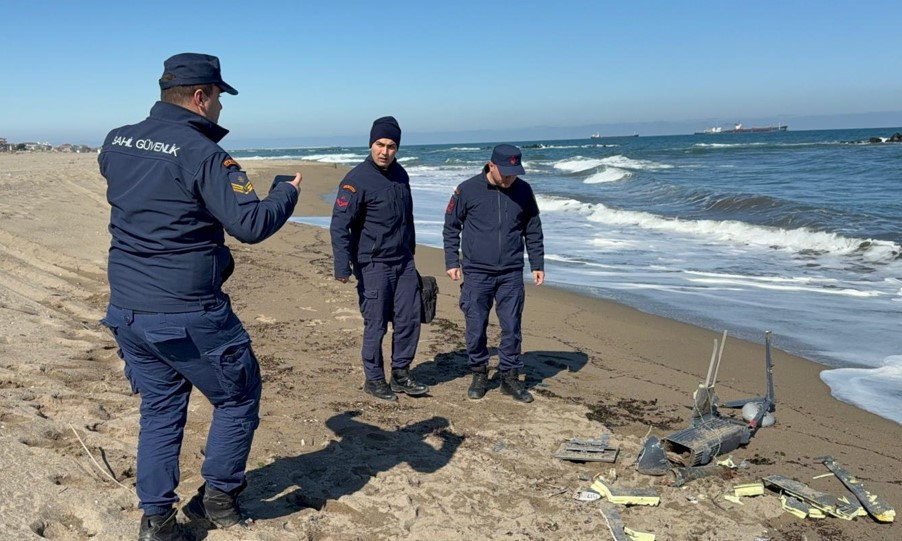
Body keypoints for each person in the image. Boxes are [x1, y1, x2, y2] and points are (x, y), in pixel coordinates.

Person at [97, 53, 302, 541]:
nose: (220, 108)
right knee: (238, 395)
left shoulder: (116, 140)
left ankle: (157, 520)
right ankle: (218, 498)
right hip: (186, 311)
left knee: (161, 407)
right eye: (218, 98)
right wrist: (285, 192)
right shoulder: (204, 154)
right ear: (199, 96)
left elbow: (145, 194)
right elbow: (250, 224)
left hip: (127, 307)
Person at [330, 116, 428, 401]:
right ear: (371, 144)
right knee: (376, 324)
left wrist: (410, 251)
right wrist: (342, 266)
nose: (385, 151)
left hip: (403, 261)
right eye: (380, 144)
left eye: (391, 146)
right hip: (373, 264)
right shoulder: (356, 180)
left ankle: (401, 374)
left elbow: (407, 217)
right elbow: (339, 225)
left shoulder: (401, 175)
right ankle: (373, 379)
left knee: (409, 319)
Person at [443, 144, 545, 403]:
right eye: (506, 173)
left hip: (511, 272)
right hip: (477, 272)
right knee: (476, 326)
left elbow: (533, 228)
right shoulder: (467, 189)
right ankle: (479, 373)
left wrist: (537, 264)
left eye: (515, 173)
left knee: (511, 326)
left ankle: (509, 377)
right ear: (492, 166)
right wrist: (452, 261)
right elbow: (451, 226)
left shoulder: (523, 190)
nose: (511, 178)